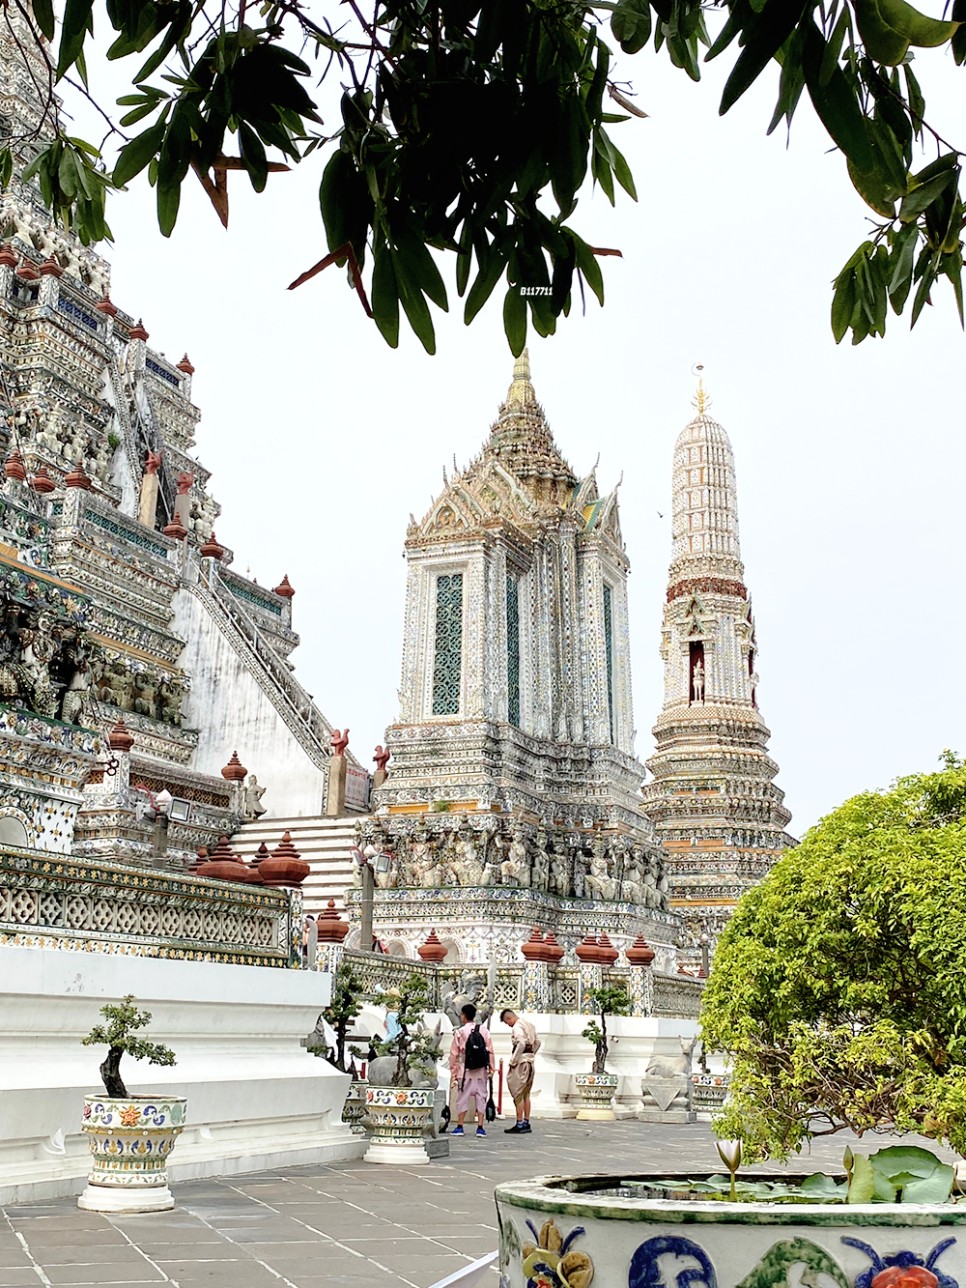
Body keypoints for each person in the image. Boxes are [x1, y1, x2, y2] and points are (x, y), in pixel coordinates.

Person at [448, 1002, 495, 1138]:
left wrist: (453, 1072)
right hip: (481, 1070)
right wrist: (492, 1068)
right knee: (481, 1097)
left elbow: (454, 1054)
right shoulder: (484, 1030)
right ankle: (480, 1127)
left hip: (465, 1070)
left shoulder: (460, 1032)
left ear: (463, 1016)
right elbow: (490, 1050)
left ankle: (460, 1126)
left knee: (462, 1098)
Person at [501, 1008, 541, 1134]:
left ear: (509, 1018)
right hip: (529, 1062)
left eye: (507, 1022)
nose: (508, 1025)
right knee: (526, 1093)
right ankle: (526, 1121)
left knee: (518, 1092)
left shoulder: (517, 1027)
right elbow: (538, 1042)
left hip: (521, 1062)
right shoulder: (529, 1025)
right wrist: (531, 1054)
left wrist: (514, 1060)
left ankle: (519, 1122)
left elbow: (521, 1043)